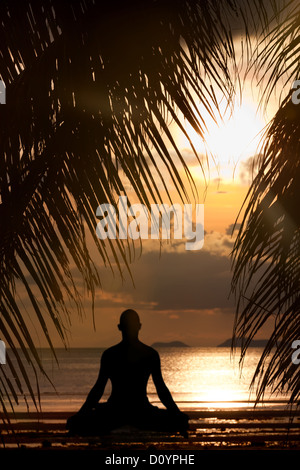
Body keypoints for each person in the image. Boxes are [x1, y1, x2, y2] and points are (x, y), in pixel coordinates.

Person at [66, 309, 189, 436]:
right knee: (179, 420)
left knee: (76, 422)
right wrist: (176, 413)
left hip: (115, 412)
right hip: (140, 412)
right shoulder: (150, 354)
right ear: (139, 327)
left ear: (119, 327)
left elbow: (98, 389)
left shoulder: (110, 354)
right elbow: (161, 389)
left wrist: (81, 415)